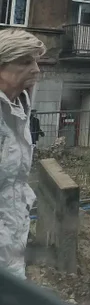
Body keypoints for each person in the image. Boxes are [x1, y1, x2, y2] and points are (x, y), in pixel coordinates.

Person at [0, 29, 46, 278]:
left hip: (13, 238)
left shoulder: (19, 107)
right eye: (26, 61)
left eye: (36, 61)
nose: (37, 69)